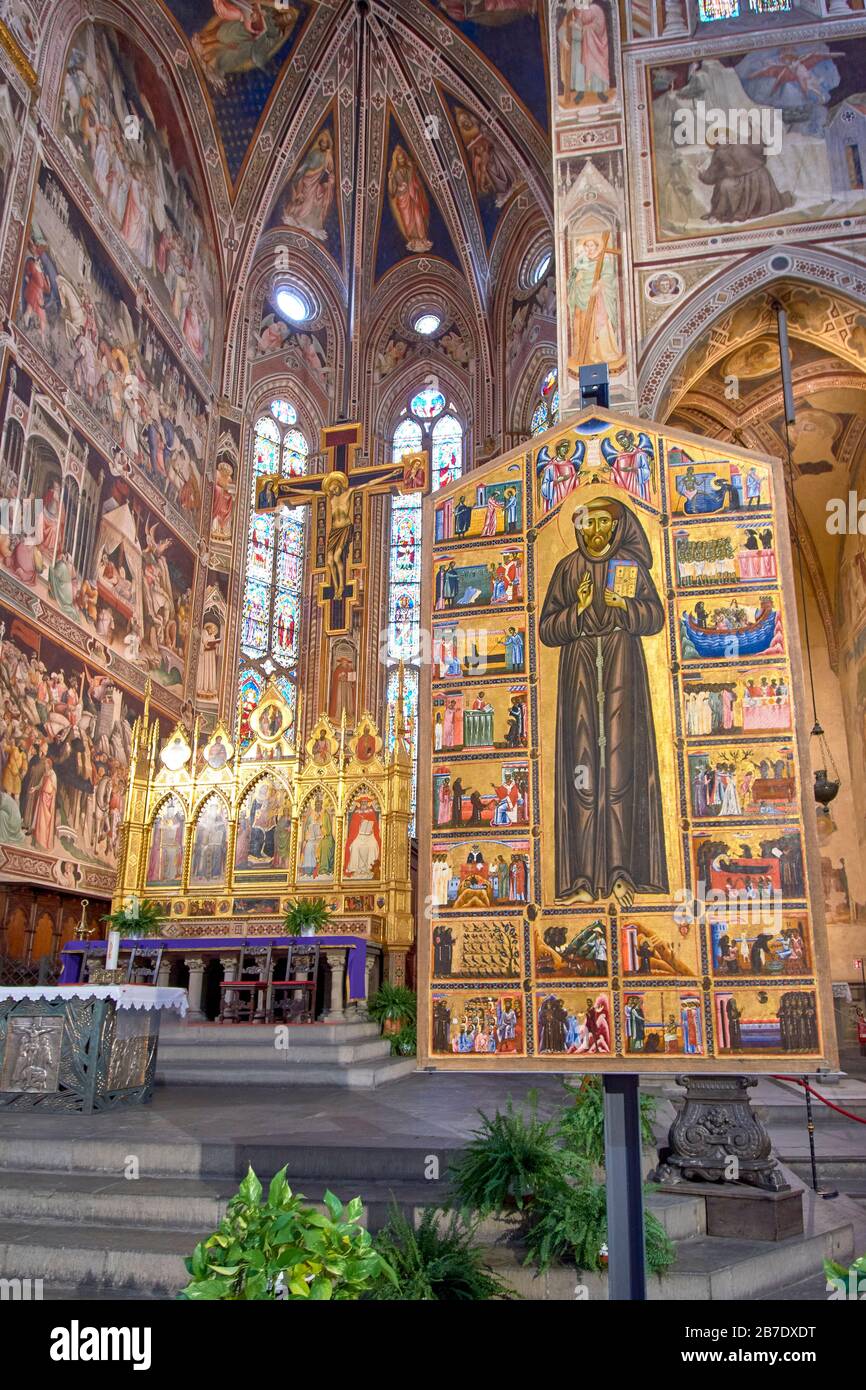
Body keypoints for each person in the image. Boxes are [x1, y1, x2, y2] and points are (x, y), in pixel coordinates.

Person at [539, 497, 668, 906]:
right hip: (577, 676)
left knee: (620, 769)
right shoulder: (566, 569)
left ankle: (620, 873)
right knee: (582, 773)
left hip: (620, 672)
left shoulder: (627, 568)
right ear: (578, 528)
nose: (595, 533)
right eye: (587, 524)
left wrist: (623, 606)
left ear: (617, 528)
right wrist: (576, 611)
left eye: (603, 525)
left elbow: (654, 617)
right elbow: (546, 629)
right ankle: (581, 879)